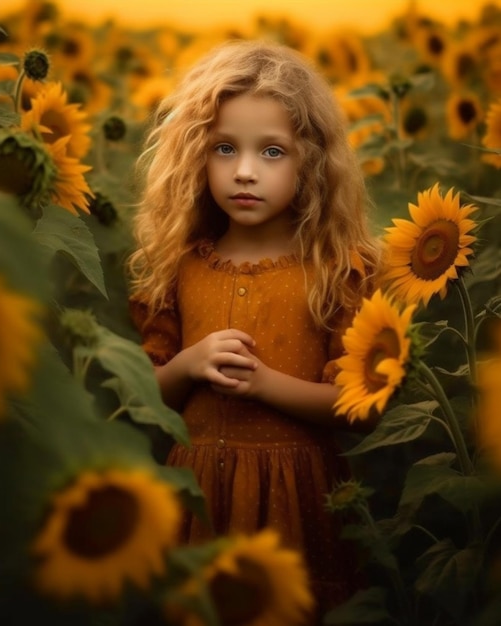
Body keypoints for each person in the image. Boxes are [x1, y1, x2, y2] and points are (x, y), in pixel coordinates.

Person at [128, 39, 382, 622]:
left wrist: (266, 384)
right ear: (197, 155)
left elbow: (358, 405)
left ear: (311, 161)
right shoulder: (182, 267)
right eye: (224, 148)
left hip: (298, 498)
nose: (244, 171)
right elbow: (145, 396)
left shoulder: (332, 272)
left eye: (272, 152)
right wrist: (187, 366)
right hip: (198, 498)